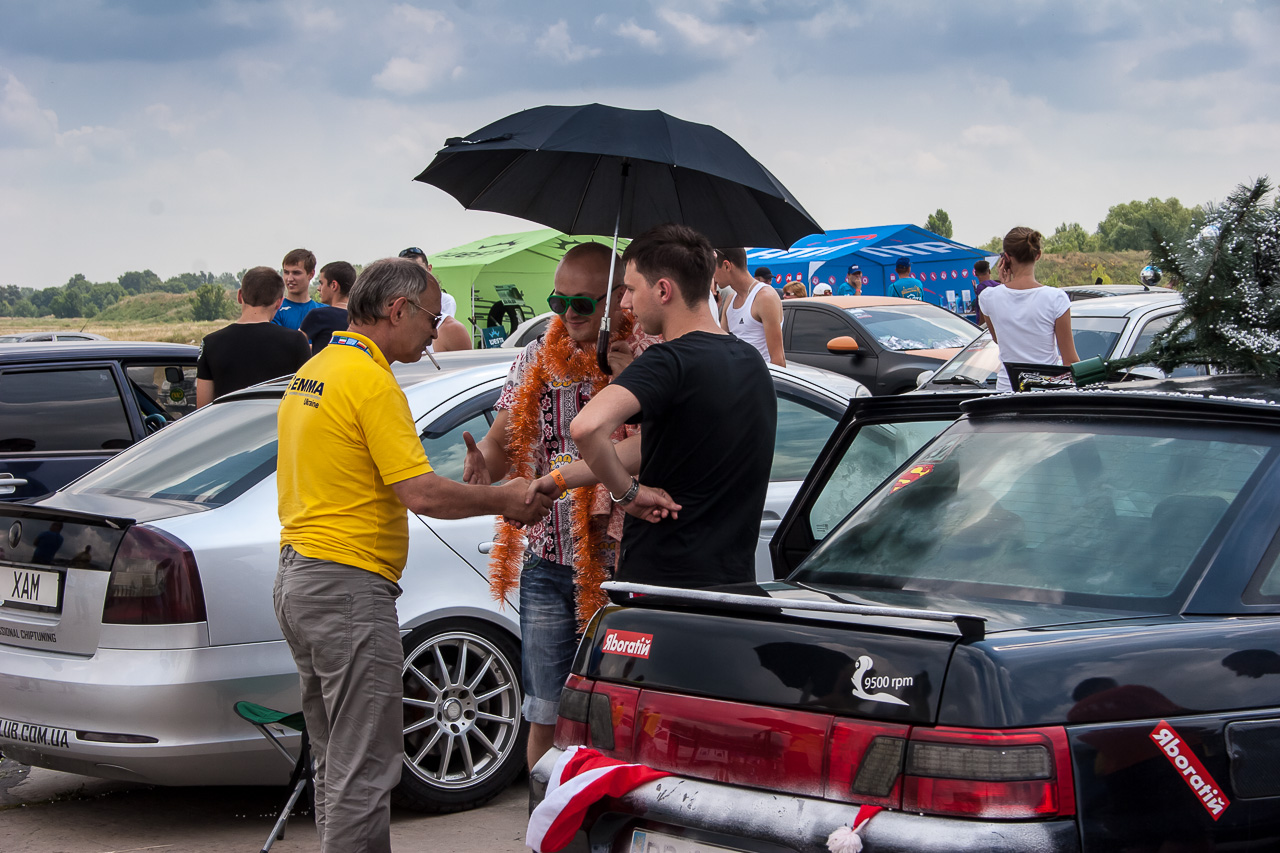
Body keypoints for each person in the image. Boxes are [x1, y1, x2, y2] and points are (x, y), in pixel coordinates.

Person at [275, 257, 553, 853]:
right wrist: (504, 496)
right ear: (396, 309)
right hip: (346, 586)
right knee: (365, 765)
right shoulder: (370, 381)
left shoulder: (316, 369)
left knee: (335, 758)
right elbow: (421, 493)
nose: (435, 330)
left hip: (302, 577)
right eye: (430, 316)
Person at [462, 243, 657, 772]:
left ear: (616, 300)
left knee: (621, 714)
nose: (568, 313)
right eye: (558, 301)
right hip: (548, 561)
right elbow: (503, 444)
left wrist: (630, 378)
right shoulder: (534, 357)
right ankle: (542, 814)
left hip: (624, 565)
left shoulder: (649, 356)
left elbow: (659, 449)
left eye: (582, 303)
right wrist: (484, 466)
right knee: (545, 711)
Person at [537, 223, 775, 592]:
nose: (625, 303)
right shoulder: (750, 360)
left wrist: (627, 495)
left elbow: (586, 428)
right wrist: (559, 479)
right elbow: (652, 447)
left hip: (661, 583)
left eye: (631, 289)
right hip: (731, 584)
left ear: (663, 290)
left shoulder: (667, 360)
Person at [981, 226, 1080, 393]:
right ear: (1038, 255)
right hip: (1044, 391)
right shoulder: (1056, 298)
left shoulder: (988, 297)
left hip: (1007, 390)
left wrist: (1004, 286)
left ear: (1006, 258)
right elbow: (1070, 360)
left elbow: (999, 339)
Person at [196, 266, 311, 407]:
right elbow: (305, 400)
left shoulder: (210, 343)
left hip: (229, 420)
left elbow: (203, 407)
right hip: (274, 420)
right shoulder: (296, 341)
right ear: (279, 302)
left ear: (240, 296)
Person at [714, 247, 785, 365]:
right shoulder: (730, 299)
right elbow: (722, 346)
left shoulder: (765, 297)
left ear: (727, 266)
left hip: (760, 374)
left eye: (713, 268)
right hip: (737, 374)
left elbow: (778, 359)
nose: (712, 275)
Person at [398, 247, 471, 351]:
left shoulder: (450, 328)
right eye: (406, 273)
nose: (412, 279)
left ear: (429, 270)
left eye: (419, 272)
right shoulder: (390, 326)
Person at [301, 261, 355, 355]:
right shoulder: (361, 318)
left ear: (333, 285)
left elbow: (296, 344)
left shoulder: (318, 315)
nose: (318, 288)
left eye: (321, 283)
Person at [272, 248, 320, 330]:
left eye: (296, 273)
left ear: (311, 274)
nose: (289, 279)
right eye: (286, 272)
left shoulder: (324, 311)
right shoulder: (274, 310)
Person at [972, 259, 1000, 328]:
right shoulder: (998, 285)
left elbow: (982, 310)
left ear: (975, 273)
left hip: (987, 326)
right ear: (989, 271)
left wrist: (980, 327)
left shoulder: (981, 287)